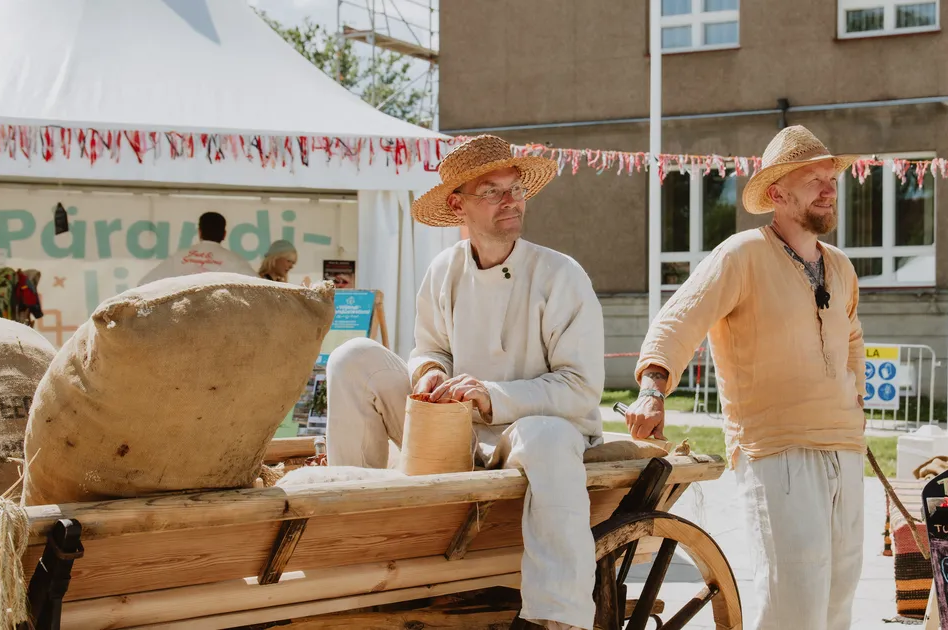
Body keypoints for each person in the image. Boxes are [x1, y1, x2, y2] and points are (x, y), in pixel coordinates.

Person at [324, 135, 604, 630]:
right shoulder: (442, 270)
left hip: (534, 431)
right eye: (492, 191)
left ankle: (557, 618)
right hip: (457, 433)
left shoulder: (561, 276)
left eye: (515, 189)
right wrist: (429, 372)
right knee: (352, 358)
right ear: (458, 205)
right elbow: (429, 347)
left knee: (547, 436)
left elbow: (580, 387)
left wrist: (490, 395)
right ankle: (355, 538)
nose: (511, 201)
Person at [626, 126, 865, 630]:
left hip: (844, 447)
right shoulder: (741, 254)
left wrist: (853, 394)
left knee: (838, 601)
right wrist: (652, 388)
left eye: (831, 178)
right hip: (775, 450)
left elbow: (850, 338)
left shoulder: (840, 267)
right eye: (813, 179)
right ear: (777, 194)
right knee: (793, 605)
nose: (829, 188)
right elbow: (678, 320)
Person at [138, 212, 255, 285]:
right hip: (218, 320)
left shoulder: (179, 257)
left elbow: (144, 284)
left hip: (184, 319)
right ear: (224, 234)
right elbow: (262, 288)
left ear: (199, 232)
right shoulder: (235, 261)